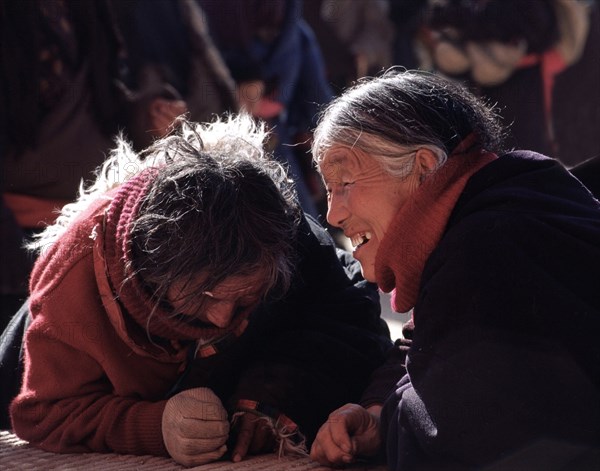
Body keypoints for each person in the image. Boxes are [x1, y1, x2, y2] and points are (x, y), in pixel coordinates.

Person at [6, 114, 392, 466]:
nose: (223, 318)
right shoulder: (76, 274)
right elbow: (42, 413)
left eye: (244, 298)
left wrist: (268, 400)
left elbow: (350, 320)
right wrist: (156, 426)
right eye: (202, 297)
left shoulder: (275, 229)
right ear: (150, 271)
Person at [309, 70, 600, 470]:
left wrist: (389, 418)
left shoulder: (487, 250)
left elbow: (459, 437)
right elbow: (427, 340)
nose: (332, 213)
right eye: (328, 191)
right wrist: (378, 410)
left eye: (344, 182)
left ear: (424, 167)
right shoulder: (511, 198)